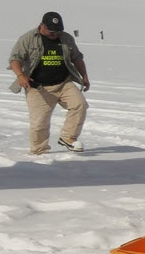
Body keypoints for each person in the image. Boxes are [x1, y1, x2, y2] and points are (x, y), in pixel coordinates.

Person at [8, 11, 90, 154]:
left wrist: (84, 76)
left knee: (80, 105)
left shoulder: (66, 38)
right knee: (39, 123)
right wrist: (21, 76)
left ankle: (68, 138)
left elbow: (77, 57)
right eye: (52, 32)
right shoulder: (28, 38)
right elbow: (15, 59)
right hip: (38, 87)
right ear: (42, 26)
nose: (55, 34)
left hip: (64, 83)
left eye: (58, 31)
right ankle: (40, 152)